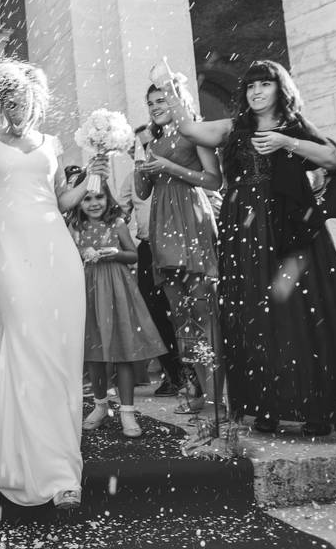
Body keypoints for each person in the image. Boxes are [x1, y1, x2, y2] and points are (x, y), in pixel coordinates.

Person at [153, 58, 336, 436]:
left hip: (289, 230)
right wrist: (168, 84)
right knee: (254, 314)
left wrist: (287, 142)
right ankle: (265, 405)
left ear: (280, 89)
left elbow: (334, 158)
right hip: (245, 232)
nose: (256, 92)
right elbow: (189, 128)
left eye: (264, 85)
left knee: (298, 315)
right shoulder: (236, 128)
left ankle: (314, 409)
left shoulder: (295, 126)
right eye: (250, 86)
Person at [0, 59, 106, 508]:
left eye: (21, 100)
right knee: (24, 339)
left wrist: (93, 174)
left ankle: (60, 467)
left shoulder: (51, 145)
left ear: (35, 101)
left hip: (56, 252)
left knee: (57, 350)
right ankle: (29, 460)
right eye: (7, 100)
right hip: (8, 255)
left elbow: (60, 200)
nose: (14, 107)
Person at [134, 83, 224, 421]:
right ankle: (200, 389)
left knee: (205, 314)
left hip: (190, 220)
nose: (155, 107)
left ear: (178, 101)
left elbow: (214, 180)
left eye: (161, 100)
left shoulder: (195, 136)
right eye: (151, 103)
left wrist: (170, 168)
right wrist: (140, 160)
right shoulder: (153, 143)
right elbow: (142, 191)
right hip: (162, 227)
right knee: (182, 318)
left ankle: (219, 398)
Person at [70, 184, 166, 438]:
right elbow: (69, 255)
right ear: (78, 202)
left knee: (123, 350)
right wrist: (82, 252)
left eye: (99, 197)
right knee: (94, 353)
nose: (93, 203)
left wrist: (115, 253)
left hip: (116, 290)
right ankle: (100, 406)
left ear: (108, 198)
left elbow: (133, 255)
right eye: (87, 198)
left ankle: (127, 411)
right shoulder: (76, 228)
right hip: (87, 290)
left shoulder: (118, 224)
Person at [118, 125, 184, 398]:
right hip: (147, 249)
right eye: (140, 146)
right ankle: (175, 374)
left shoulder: (172, 170)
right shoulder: (131, 178)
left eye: (149, 144)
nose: (146, 150)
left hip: (176, 245)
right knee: (155, 313)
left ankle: (198, 374)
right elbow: (118, 213)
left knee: (180, 310)